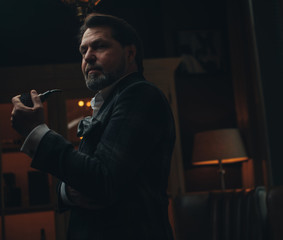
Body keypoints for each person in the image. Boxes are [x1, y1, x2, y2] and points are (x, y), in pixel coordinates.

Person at [11, 13, 175, 240]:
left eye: (99, 46)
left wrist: (36, 132)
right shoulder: (112, 102)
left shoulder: (140, 95)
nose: (88, 57)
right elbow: (86, 175)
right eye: (83, 51)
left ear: (130, 53)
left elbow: (100, 182)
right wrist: (67, 191)